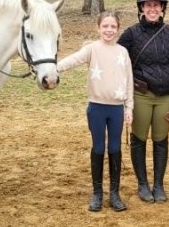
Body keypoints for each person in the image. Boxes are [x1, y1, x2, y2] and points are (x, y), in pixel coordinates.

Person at [57, 11, 134, 213]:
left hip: (117, 109)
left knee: (115, 148)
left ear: (118, 29)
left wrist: (129, 108)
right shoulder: (92, 49)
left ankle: (115, 193)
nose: (109, 30)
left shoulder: (122, 52)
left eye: (113, 27)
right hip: (97, 108)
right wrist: (53, 68)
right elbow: (73, 60)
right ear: (98, 28)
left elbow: (129, 83)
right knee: (98, 148)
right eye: (105, 26)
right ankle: (97, 193)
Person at [118, 0, 169, 204]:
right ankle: (142, 184)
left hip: (167, 95)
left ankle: (158, 184)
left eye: (156, 5)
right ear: (141, 7)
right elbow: (116, 58)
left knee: (160, 139)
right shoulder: (130, 34)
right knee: (139, 138)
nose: (152, 9)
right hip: (141, 94)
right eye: (148, 5)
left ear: (162, 8)